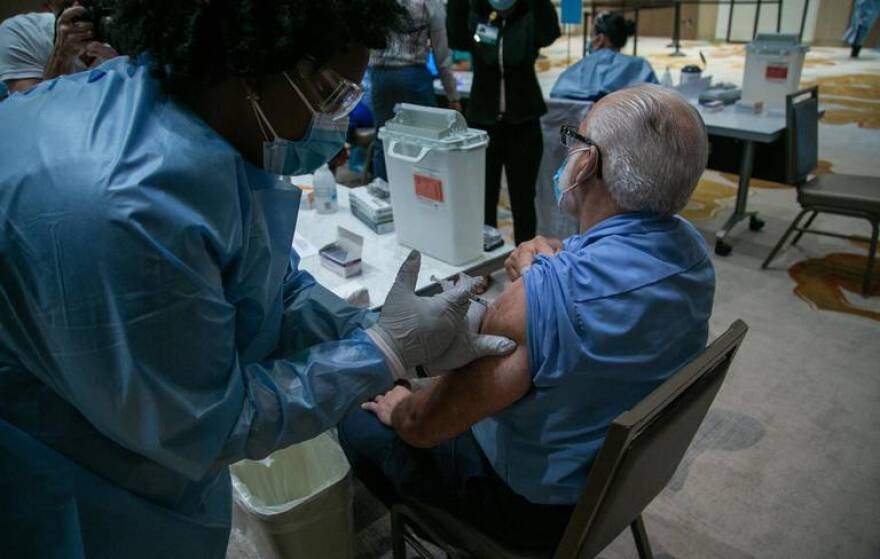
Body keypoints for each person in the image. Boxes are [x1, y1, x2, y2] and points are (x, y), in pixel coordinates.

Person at [0, 2, 517, 557]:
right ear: (255, 68)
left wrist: (368, 325)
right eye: (333, 97)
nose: (339, 124)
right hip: (72, 479)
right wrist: (382, 352)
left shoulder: (184, 115)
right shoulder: (128, 204)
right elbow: (206, 423)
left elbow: (263, 288)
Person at [339, 84, 715, 550]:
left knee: (356, 419)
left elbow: (424, 426)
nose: (569, 153)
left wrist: (401, 409)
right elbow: (594, 304)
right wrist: (542, 276)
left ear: (588, 163)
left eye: (575, 140)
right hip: (611, 492)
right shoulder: (694, 254)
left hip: (528, 514)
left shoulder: (542, 299)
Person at [448, 0, 561, 246]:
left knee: (523, 199)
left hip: (524, 124)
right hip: (483, 125)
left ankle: (527, 263)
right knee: (483, 198)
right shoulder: (477, 19)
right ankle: (484, 260)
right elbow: (454, 37)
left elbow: (550, 31)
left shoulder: (529, 20)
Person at [370, 0, 463, 181]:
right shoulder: (430, 3)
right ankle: (426, 199)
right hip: (414, 78)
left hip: (381, 77)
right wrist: (453, 96)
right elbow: (441, 55)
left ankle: (385, 197)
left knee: (384, 141)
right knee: (425, 143)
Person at [0, 0, 117, 94]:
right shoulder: (22, 32)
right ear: (48, 7)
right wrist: (61, 56)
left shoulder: (123, 26)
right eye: (67, 5)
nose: (80, 10)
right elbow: (28, 110)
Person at [550, 11, 657, 102]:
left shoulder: (582, 67)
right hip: (624, 125)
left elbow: (558, 101)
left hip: (577, 125)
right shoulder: (640, 65)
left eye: (592, 35)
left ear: (600, 39)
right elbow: (659, 100)